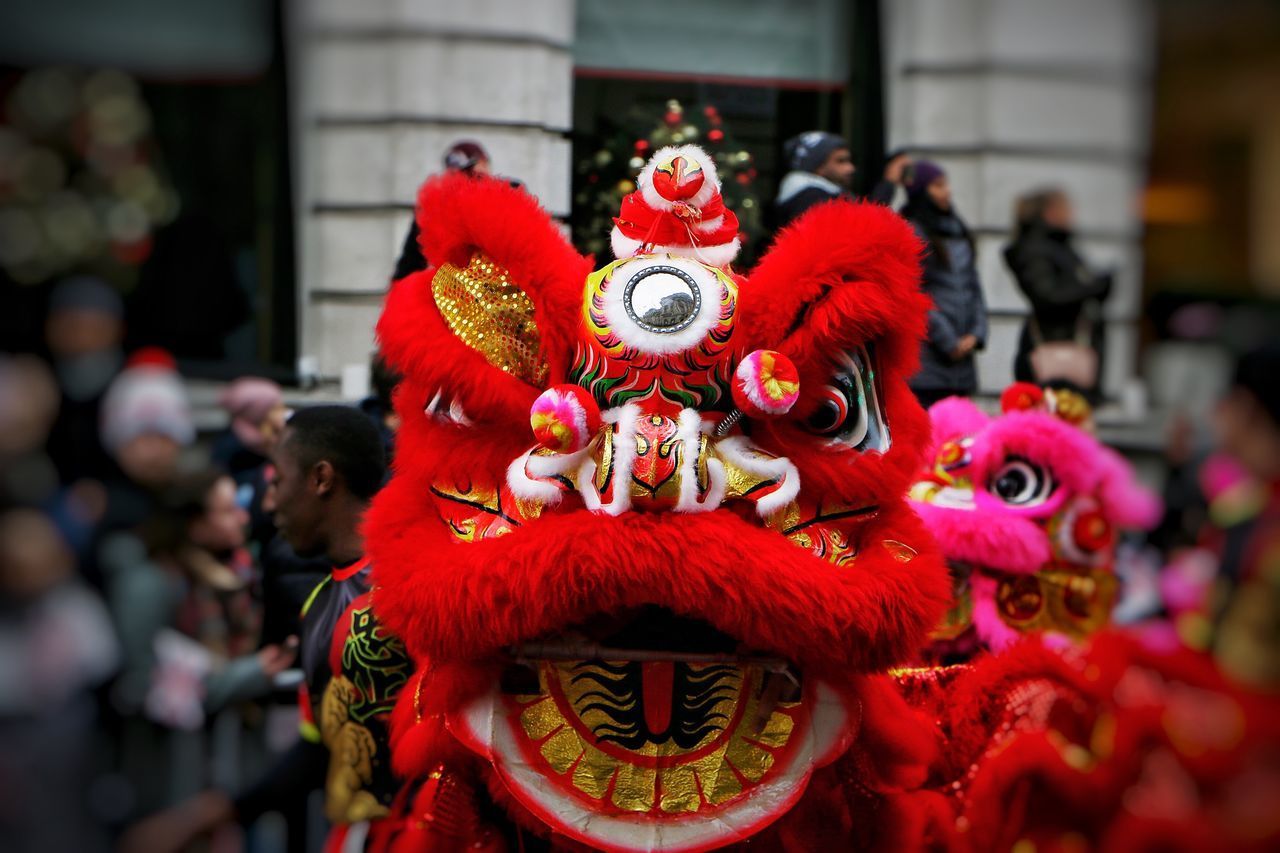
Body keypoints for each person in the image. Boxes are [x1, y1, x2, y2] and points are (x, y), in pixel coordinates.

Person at [121, 405, 405, 852]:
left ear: (321, 479)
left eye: (277, 480)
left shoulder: (413, 585)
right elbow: (319, 753)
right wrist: (209, 816)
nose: (268, 501)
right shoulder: (318, 605)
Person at [1004, 188, 1112, 400]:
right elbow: (1048, 296)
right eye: (1066, 208)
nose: (1072, 214)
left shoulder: (1061, 246)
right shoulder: (1037, 249)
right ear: (1050, 212)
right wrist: (1094, 287)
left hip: (1074, 344)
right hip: (1052, 346)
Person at [901, 160, 987, 407]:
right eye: (938, 185)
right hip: (928, 365)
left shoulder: (957, 230)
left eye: (945, 184)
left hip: (962, 364)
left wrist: (977, 334)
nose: (946, 191)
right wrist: (948, 340)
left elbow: (973, 288)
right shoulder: (912, 233)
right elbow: (913, 295)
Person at [392, 140, 493, 282]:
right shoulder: (433, 209)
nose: (467, 179)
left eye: (471, 172)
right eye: (460, 175)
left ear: (485, 163)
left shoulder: (510, 194)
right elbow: (410, 262)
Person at [772, 132, 909, 230]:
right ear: (817, 167)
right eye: (840, 161)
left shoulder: (820, 195)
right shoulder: (812, 200)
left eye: (849, 160)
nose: (850, 168)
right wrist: (888, 182)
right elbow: (864, 228)